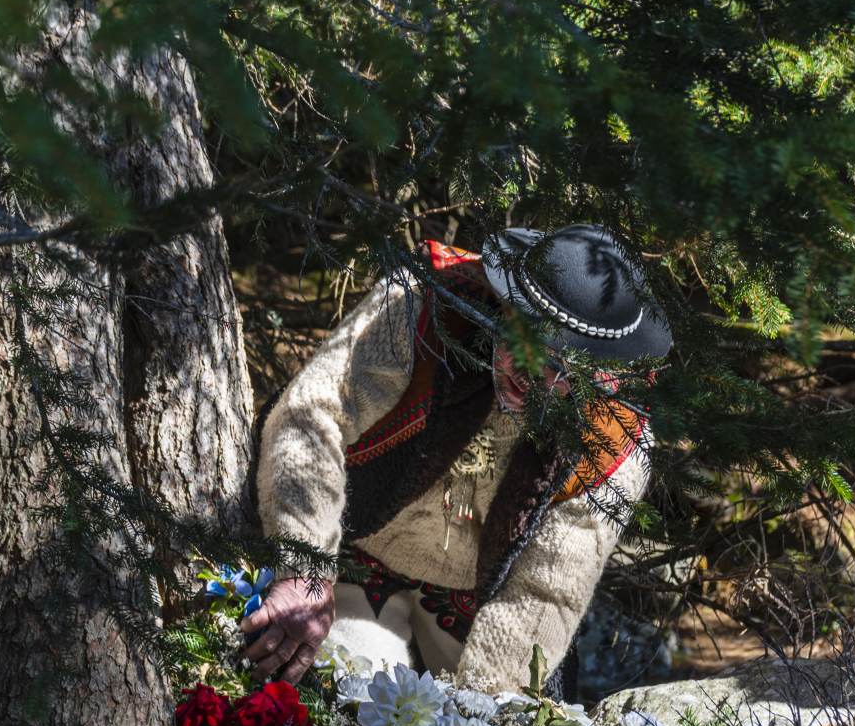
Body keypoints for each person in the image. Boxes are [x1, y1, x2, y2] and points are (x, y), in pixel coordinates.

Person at [246, 225, 672, 693]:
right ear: (504, 303)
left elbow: (545, 592)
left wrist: (476, 718)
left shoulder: (616, 441)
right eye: (525, 337)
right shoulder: (420, 304)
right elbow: (310, 419)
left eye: (564, 368)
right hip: (352, 547)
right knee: (357, 699)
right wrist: (304, 568)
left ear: (604, 375)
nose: (531, 373)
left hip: (479, 596)